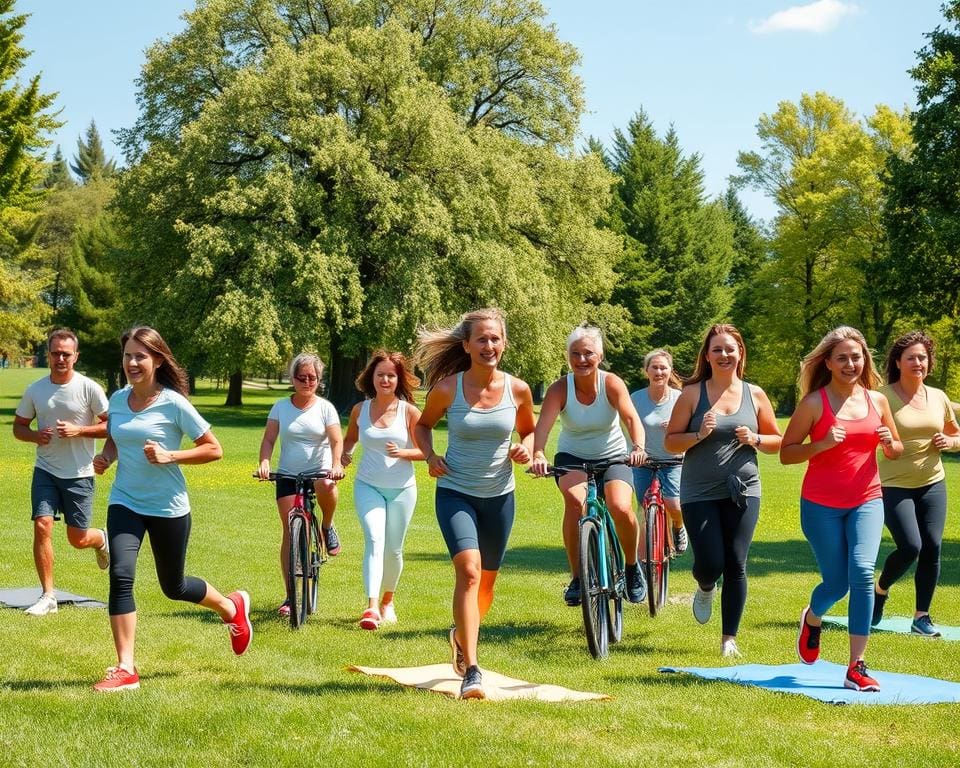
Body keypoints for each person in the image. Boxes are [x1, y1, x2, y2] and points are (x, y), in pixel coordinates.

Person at [91, 327, 252, 692]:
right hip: (125, 501)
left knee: (174, 586)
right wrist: (106, 457)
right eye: (128, 355)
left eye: (140, 356)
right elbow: (117, 438)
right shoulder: (117, 400)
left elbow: (214, 448)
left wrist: (170, 456)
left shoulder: (174, 403)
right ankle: (125, 667)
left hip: (168, 507)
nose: (132, 362)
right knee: (121, 574)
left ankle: (231, 607)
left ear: (158, 360)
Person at [413, 308, 535, 700]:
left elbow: (531, 432)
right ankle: (473, 669)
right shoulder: (448, 389)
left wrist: (525, 448)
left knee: (485, 585)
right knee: (468, 571)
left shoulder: (518, 390)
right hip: (456, 492)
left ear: (505, 343)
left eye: (495, 338)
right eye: (481, 339)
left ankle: (460, 636)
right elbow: (422, 425)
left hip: (500, 497)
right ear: (466, 346)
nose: (489, 345)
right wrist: (430, 457)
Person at [780, 326, 903, 692]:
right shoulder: (815, 403)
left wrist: (889, 443)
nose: (851, 364)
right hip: (821, 505)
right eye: (843, 358)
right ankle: (813, 617)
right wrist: (819, 444)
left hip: (868, 497)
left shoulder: (877, 401)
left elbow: (896, 447)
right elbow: (787, 453)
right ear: (829, 363)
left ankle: (856, 666)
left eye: (856, 357)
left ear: (864, 360)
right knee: (836, 584)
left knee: (863, 572)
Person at [665, 324, 781, 658]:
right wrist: (699, 434)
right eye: (717, 349)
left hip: (744, 490)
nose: (724, 355)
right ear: (707, 355)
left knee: (736, 562)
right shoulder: (692, 394)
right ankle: (704, 585)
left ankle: (728, 638)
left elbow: (777, 442)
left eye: (730, 349)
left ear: (740, 353)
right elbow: (672, 442)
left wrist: (757, 439)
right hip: (699, 490)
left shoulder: (754, 394)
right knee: (710, 562)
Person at [531, 325, 647, 607]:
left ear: (600, 355)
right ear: (568, 356)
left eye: (588, 353)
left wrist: (638, 447)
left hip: (613, 456)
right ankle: (577, 578)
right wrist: (538, 454)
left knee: (620, 507)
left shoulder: (611, 383)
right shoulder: (560, 388)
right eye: (575, 354)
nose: (582, 359)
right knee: (574, 501)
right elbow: (543, 426)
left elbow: (631, 419)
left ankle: (632, 567)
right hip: (573, 456)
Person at [13, 329, 110, 616]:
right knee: (42, 525)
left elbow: (111, 426)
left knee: (77, 539)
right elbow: (19, 427)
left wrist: (80, 430)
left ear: (76, 356)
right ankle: (48, 597)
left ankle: (101, 539)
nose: (60, 358)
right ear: (48, 354)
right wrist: (34, 437)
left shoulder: (89, 389)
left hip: (80, 473)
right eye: (55, 353)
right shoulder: (36, 390)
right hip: (45, 470)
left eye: (66, 354)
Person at [873, 331, 959, 637]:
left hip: (933, 482)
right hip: (893, 484)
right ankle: (880, 589)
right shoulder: (883, 397)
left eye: (923, 357)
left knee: (932, 546)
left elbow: (957, 436)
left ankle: (921, 616)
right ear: (898, 362)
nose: (918, 363)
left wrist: (950, 440)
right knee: (911, 546)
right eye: (911, 357)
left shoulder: (938, 398)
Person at [257, 353, 345, 616]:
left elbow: (336, 440)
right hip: (287, 475)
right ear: (292, 378)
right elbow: (269, 440)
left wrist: (336, 464)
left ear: (319, 380)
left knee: (327, 486)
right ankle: (289, 596)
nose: (307, 382)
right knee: (288, 530)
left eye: (313, 378)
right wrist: (263, 462)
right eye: (302, 377)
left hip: (318, 472)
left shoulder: (325, 408)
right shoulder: (280, 407)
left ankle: (326, 526)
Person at [342, 350, 424, 630]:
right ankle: (371, 607)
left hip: (402, 489)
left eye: (391, 375)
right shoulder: (360, 410)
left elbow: (427, 452)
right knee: (374, 540)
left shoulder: (409, 412)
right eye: (380, 375)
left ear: (399, 379)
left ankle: (389, 600)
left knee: (394, 550)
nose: (385, 379)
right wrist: (344, 457)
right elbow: (350, 440)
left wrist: (403, 452)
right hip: (368, 485)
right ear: (372, 378)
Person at [630, 348, 687, 555]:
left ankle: (678, 527)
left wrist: (676, 426)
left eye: (663, 367)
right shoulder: (635, 398)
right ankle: (648, 556)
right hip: (643, 461)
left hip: (673, 459)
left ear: (670, 371)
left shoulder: (679, 398)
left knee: (674, 504)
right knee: (645, 506)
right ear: (646, 371)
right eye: (654, 367)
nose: (659, 372)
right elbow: (628, 426)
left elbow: (691, 427)